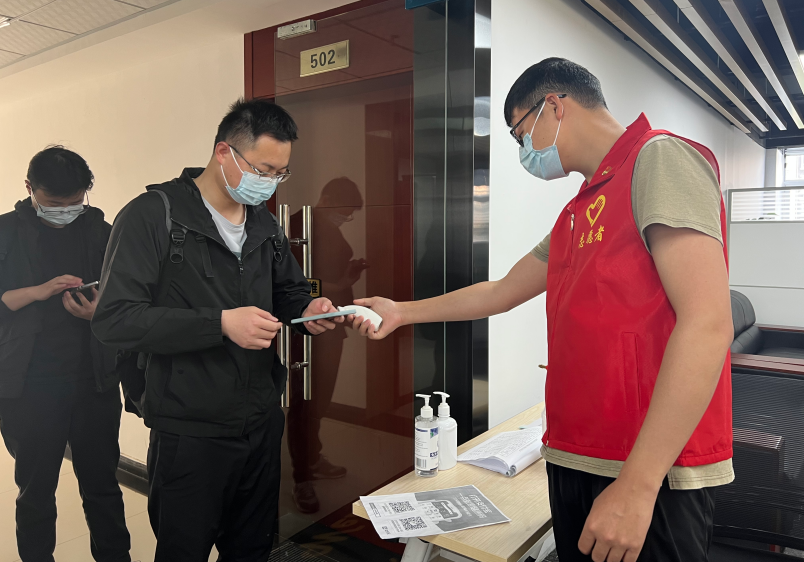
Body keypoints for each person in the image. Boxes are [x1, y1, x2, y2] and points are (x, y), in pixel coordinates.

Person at [350, 58, 734, 562]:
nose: (523, 150)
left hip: (643, 466)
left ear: (554, 105)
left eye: (520, 133)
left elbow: (708, 324)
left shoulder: (659, 159)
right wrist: (402, 311)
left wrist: (638, 485)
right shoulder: (580, 209)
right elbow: (502, 290)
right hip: (576, 452)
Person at [91, 98, 343, 561]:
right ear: (224, 152)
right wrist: (220, 324)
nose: (270, 183)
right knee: (183, 550)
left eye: (280, 174)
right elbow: (115, 318)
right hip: (189, 430)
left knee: (250, 549)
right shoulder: (154, 215)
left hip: (260, 420)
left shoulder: (263, 222)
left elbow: (287, 291)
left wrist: (310, 309)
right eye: (263, 170)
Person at [0, 146, 131, 562]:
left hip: (94, 380)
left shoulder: (103, 231)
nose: (66, 212)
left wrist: (100, 311)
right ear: (29, 188)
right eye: (55, 204)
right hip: (30, 385)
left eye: (75, 202)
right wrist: (37, 292)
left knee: (103, 486)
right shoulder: (5, 232)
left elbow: (132, 299)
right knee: (36, 490)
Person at [288, 177, 367, 513]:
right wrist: (339, 284)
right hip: (305, 329)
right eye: (344, 213)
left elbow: (326, 275)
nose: (345, 219)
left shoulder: (328, 228)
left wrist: (346, 279)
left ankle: (313, 457)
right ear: (328, 198)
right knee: (304, 402)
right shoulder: (296, 226)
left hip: (332, 327)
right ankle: (302, 477)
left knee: (319, 400)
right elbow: (298, 284)